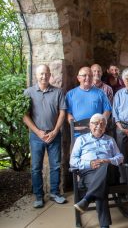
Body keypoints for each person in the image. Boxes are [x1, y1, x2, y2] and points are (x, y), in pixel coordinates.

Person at [23, 64, 67, 208]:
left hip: (54, 135)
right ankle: (38, 196)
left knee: (55, 166)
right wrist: (38, 132)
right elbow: (24, 116)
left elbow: (62, 112)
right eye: (41, 74)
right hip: (36, 136)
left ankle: (55, 193)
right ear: (36, 75)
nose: (44, 76)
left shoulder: (58, 92)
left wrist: (55, 131)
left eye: (46, 73)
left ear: (50, 75)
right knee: (36, 167)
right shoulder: (28, 92)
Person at [70, 114, 123, 228]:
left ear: (105, 127)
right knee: (100, 185)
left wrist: (108, 160)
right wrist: (89, 163)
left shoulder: (110, 140)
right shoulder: (81, 140)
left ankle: (87, 199)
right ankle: (104, 226)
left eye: (102, 124)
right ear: (90, 125)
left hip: (109, 172)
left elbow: (120, 156)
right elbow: (73, 161)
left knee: (105, 166)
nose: (99, 126)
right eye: (95, 123)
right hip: (89, 173)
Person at [66, 67, 112, 135]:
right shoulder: (70, 94)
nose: (88, 78)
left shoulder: (101, 93)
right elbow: (68, 113)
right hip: (78, 133)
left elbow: (107, 110)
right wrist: (75, 125)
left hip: (96, 132)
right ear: (78, 78)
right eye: (84, 75)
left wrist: (100, 123)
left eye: (90, 76)